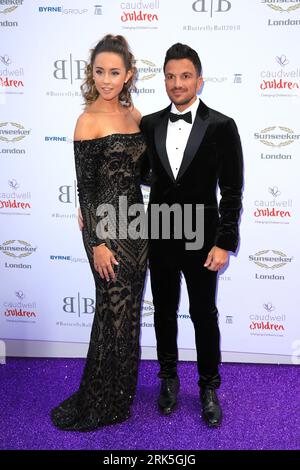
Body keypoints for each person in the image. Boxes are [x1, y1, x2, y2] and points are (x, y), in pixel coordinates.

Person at [139, 43, 243, 427]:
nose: (177, 83)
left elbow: (232, 189)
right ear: (164, 79)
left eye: (185, 76)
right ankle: (168, 379)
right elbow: (136, 175)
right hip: (161, 234)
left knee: (204, 314)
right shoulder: (149, 124)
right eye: (170, 76)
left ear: (199, 80)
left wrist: (224, 241)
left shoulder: (221, 125)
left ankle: (208, 386)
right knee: (164, 312)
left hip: (203, 239)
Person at [51, 35, 148, 431]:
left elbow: (143, 173)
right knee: (112, 312)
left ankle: (120, 395)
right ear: (91, 74)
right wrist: (97, 244)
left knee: (129, 316)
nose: (106, 79)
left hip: (138, 226)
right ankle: (99, 396)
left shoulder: (135, 114)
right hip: (105, 229)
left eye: (114, 72)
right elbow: (86, 189)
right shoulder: (86, 121)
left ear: (127, 75)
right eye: (99, 71)